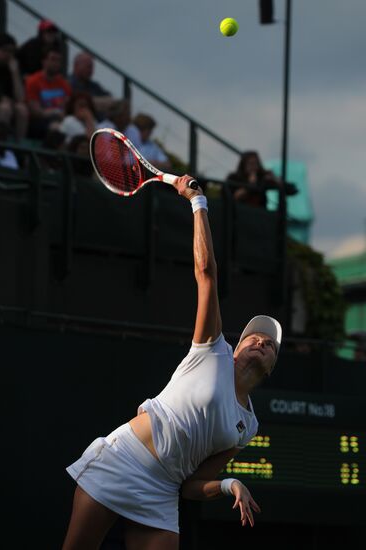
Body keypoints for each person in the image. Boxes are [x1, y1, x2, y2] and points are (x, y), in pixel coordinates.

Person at [62, 174, 282, 549]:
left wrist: (230, 484)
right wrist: (198, 204)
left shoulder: (248, 427)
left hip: (162, 490)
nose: (260, 340)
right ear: (237, 345)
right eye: (252, 336)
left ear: (272, 366)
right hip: (124, 459)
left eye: (270, 342)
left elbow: (193, 487)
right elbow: (206, 274)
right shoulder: (213, 349)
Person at [0, 33, 29, 141]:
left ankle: (19, 151)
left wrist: (15, 73)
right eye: (5, 50)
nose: (8, 54)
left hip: (4, 104)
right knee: (5, 108)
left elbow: (21, 98)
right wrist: (6, 101)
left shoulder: (12, 68)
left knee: (22, 110)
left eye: (12, 51)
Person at [25, 45, 72, 139]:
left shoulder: (63, 83)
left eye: (58, 60)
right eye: (53, 59)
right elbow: (36, 111)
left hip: (60, 120)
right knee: (57, 129)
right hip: (39, 122)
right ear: (44, 61)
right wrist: (55, 112)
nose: (56, 63)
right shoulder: (33, 81)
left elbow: (68, 105)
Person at [68, 51, 114, 121]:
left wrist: (92, 102)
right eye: (88, 66)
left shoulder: (94, 86)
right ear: (76, 66)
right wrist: (98, 103)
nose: (91, 70)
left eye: (92, 67)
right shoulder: (68, 84)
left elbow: (110, 100)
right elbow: (78, 103)